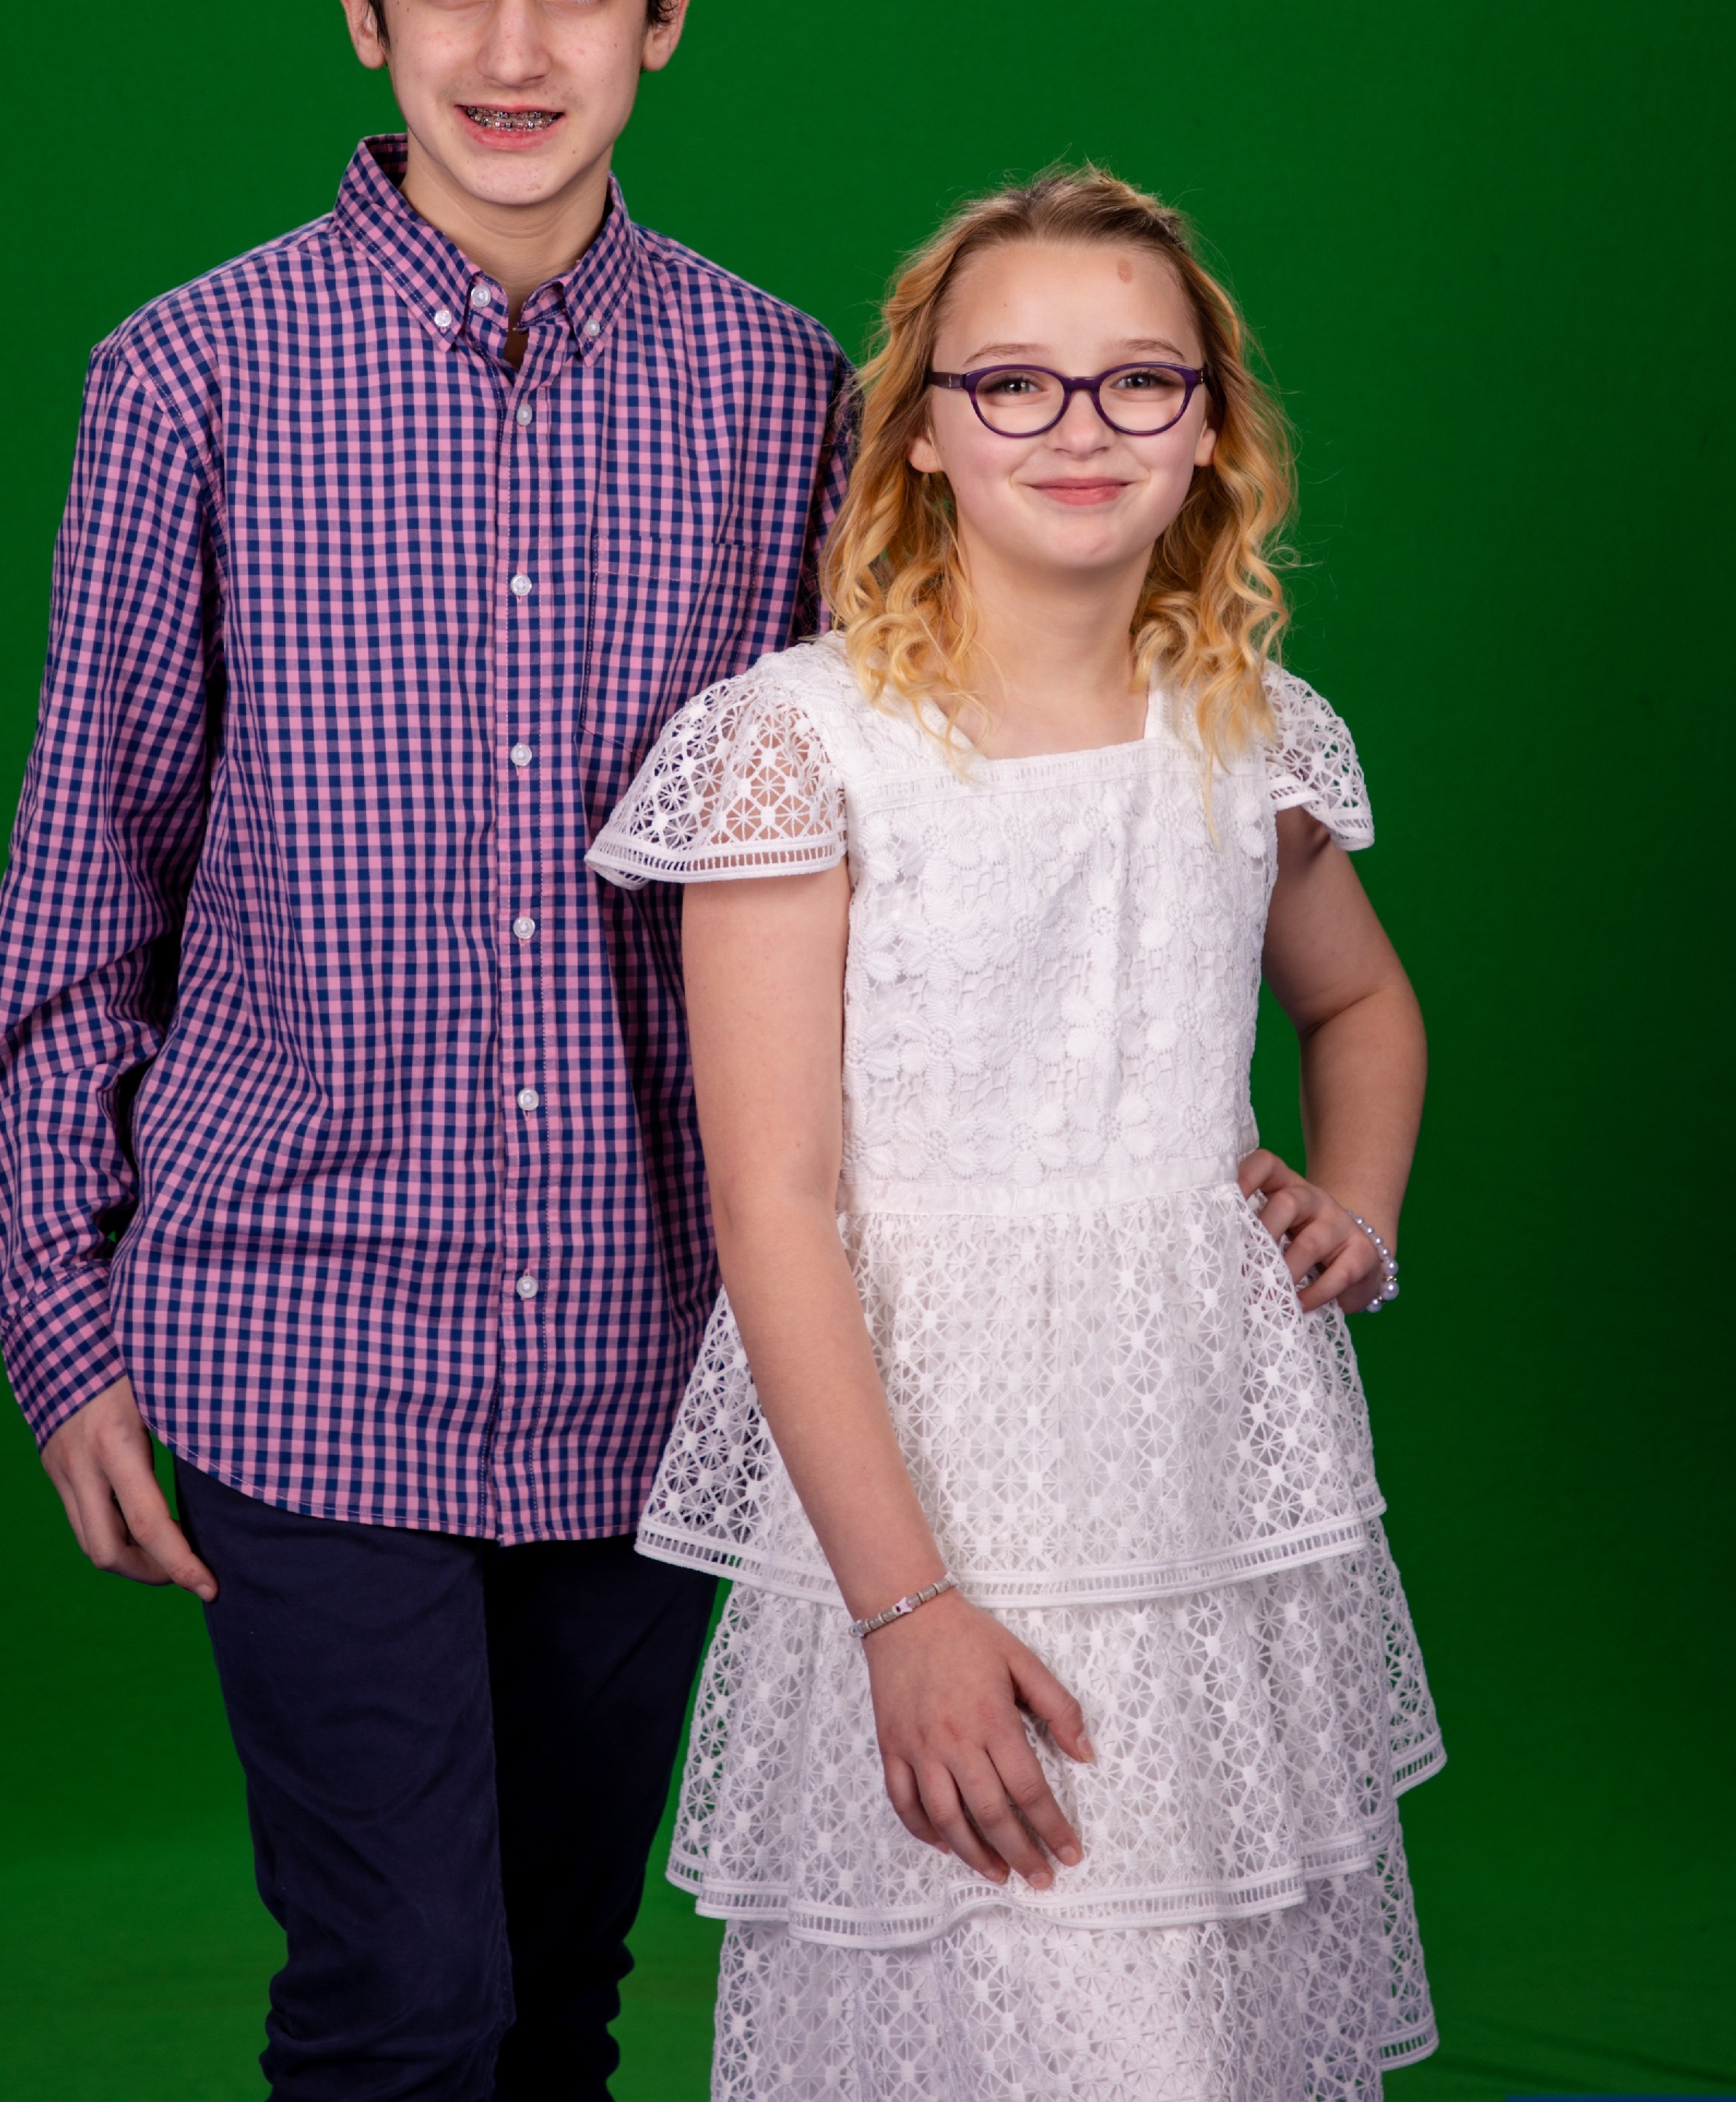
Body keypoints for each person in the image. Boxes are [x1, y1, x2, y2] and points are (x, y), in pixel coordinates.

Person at [0, 0, 855, 2101]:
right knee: (404, 2004)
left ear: (668, 14)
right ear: (364, 12)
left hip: (653, 1355)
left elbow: (896, 879)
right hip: (294, 1332)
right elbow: (81, 882)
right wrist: (64, 1324)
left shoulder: (787, 395)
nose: (512, 48)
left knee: (560, 1995)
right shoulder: (190, 378)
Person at [588, 164, 1441, 2100]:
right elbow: (774, 1203)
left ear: (1209, 430)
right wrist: (904, 1607)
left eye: (1139, 381)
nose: (1081, 426)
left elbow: (1364, 1005)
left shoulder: (1249, 725)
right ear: (922, 431)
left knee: (1203, 2008)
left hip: (1200, 1471)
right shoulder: (800, 744)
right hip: (927, 1471)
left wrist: (1360, 1205)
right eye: (1014, 384)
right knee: (1012, 1994)